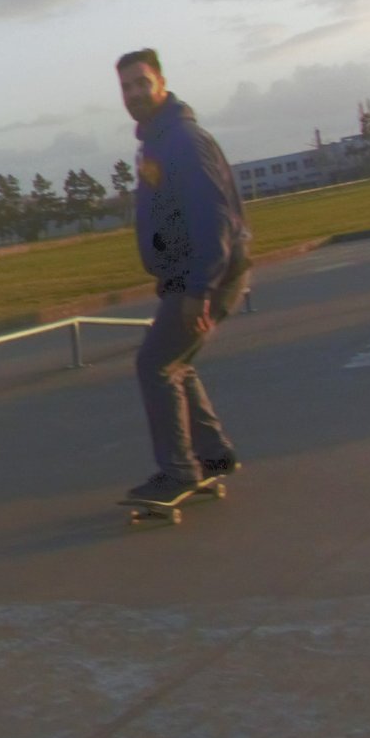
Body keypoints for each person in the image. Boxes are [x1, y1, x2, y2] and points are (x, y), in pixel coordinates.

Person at [116, 48, 250, 502]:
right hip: (187, 277)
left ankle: (178, 470)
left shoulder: (184, 141)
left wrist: (200, 289)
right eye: (126, 87)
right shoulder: (156, 142)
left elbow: (215, 220)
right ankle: (212, 454)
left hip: (205, 276)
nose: (134, 93)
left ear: (162, 82)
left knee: (154, 364)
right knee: (176, 361)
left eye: (141, 82)